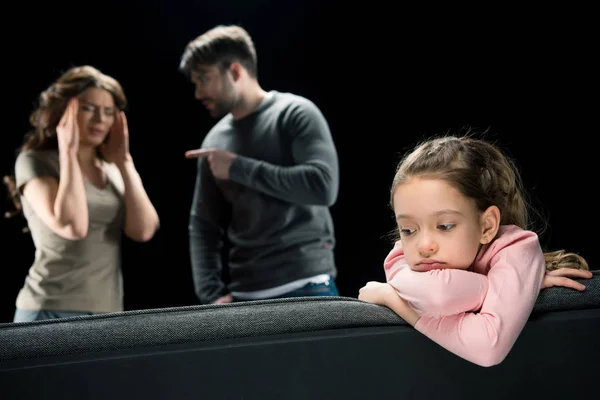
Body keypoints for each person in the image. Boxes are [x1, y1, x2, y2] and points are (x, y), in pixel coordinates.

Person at [358, 135, 591, 367]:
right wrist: (494, 287)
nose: (423, 245)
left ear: (487, 225)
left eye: (445, 226)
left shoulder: (518, 247)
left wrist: (393, 298)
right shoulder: (400, 255)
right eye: (408, 229)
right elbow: (440, 295)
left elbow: (486, 346)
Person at [178, 25, 340, 304]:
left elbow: (323, 186)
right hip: (245, 297)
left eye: (204, 79)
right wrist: (211, 295)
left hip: (308, 288)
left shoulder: (295, 113)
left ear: (236, 72)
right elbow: (203, 225)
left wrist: (238, 167)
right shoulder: (214, 140)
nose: (198, 92)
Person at [3, 65, 160, 322]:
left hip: (107, 311)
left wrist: (124, 161)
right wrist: (68, 152)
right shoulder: (35, 161)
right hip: (48, 308)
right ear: (65, 109)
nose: (100, 120)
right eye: (88, 108)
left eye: (108, 112)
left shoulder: (112, 169)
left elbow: (143, 230)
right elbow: (72, 226)